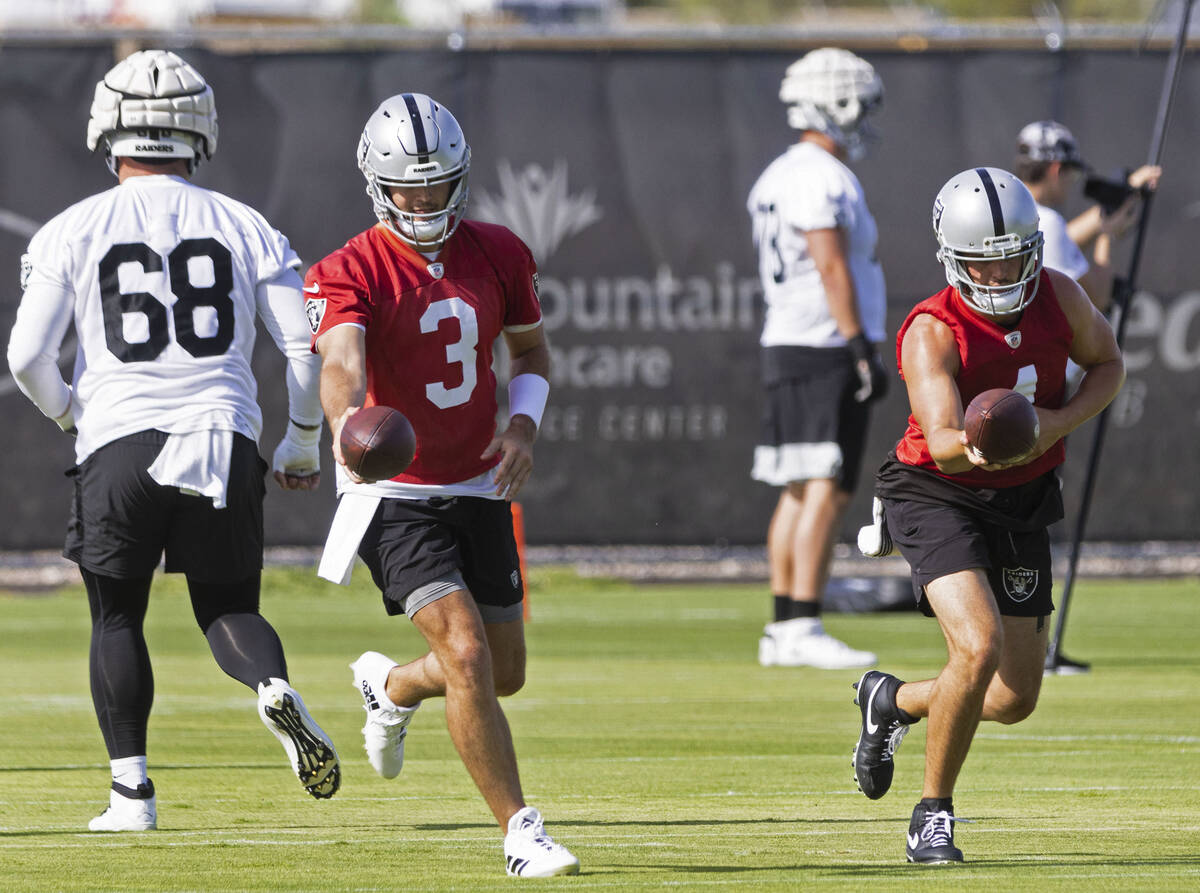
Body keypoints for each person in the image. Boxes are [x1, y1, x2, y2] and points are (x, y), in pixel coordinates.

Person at [6, 50, 340, 832]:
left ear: (106, 128)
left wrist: (69, 417)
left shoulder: (73, 228)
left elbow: (26, 357)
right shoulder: (247, 224)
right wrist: (299, 443)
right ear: (201, 132)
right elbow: (302, 349)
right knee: (228, 608)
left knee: (116, 616)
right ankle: (270, 687)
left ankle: (132, 794)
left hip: (119, 435)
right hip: (223, 432)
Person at [307, 93, 578, 879]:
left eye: (438, 187)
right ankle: (520, 831)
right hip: (395, 490)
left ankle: (390, 684)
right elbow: (342, 361)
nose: (425, 204)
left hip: (479, 482)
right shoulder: (347, 268)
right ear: (377, 185)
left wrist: (523, 427)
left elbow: (531, 355)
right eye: (409, 191)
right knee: (464, 653)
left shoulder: (496, 250)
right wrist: (348, 423)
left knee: (504, 670)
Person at [850, 167, 1124, 863]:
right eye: (984, 259)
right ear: (952, 258)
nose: (1001, 272)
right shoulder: (931, 330)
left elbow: (1109, 364)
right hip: (936, 490)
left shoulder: (1060, 296)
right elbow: (941, 444)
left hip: (1025, 495)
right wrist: (984, 443)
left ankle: (895, 700)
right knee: (977, 647)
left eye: (1012, 254)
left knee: (1011, 696)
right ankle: (932, 814)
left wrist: (1053, 422)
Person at [746, 48, 890, 669]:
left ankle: (785, 625)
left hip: (792, 339)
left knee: (800, 488)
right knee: (826, 487)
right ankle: (802, 621)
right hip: (822, 343)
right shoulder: (819, 176)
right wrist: (859, 343)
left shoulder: (780, 172)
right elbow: (830, 262)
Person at [1014, 119, 1161, 314]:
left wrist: (1118, 200)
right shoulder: (1047, 222)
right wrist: (1106, 234)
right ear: (1056, 170)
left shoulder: (1012, 211)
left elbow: (1064, 240)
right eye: (1073, 174)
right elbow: (1098, 298)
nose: (1071, 183)